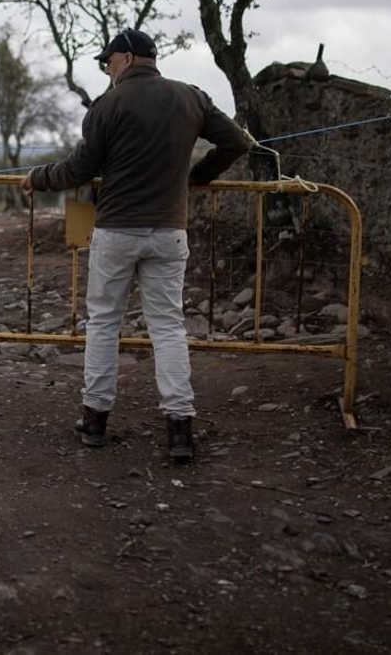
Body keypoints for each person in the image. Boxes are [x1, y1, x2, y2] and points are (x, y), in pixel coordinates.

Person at [20, 28, 250, 462]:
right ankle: (180, 429)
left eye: (108, 62)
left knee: (104, 323)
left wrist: (39, 177)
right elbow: (236, 141)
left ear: (125, 58)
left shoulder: (107, 105)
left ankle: (95, 421)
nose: (106, 69)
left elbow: (79, 168)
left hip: (117, 231)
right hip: (168, 231)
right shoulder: (192, 97)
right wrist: (199, 176)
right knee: (167, 327)